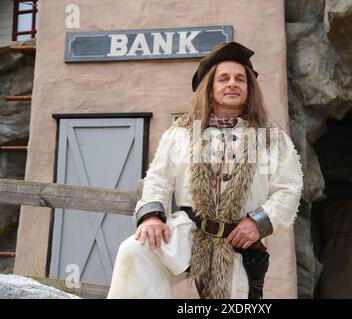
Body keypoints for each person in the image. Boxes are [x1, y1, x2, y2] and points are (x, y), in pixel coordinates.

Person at [107, 41, 303, 299]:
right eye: (223, 78)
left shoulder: (271, 137)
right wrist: (152, 217)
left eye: (239, 79)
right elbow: (157, 179)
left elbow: (289, 188)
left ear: (249, 90)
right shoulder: (180, 133)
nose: (232, 83)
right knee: (135, 250)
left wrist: (258, 223)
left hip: (238, 241)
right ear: (210, 89)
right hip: (188, 232)